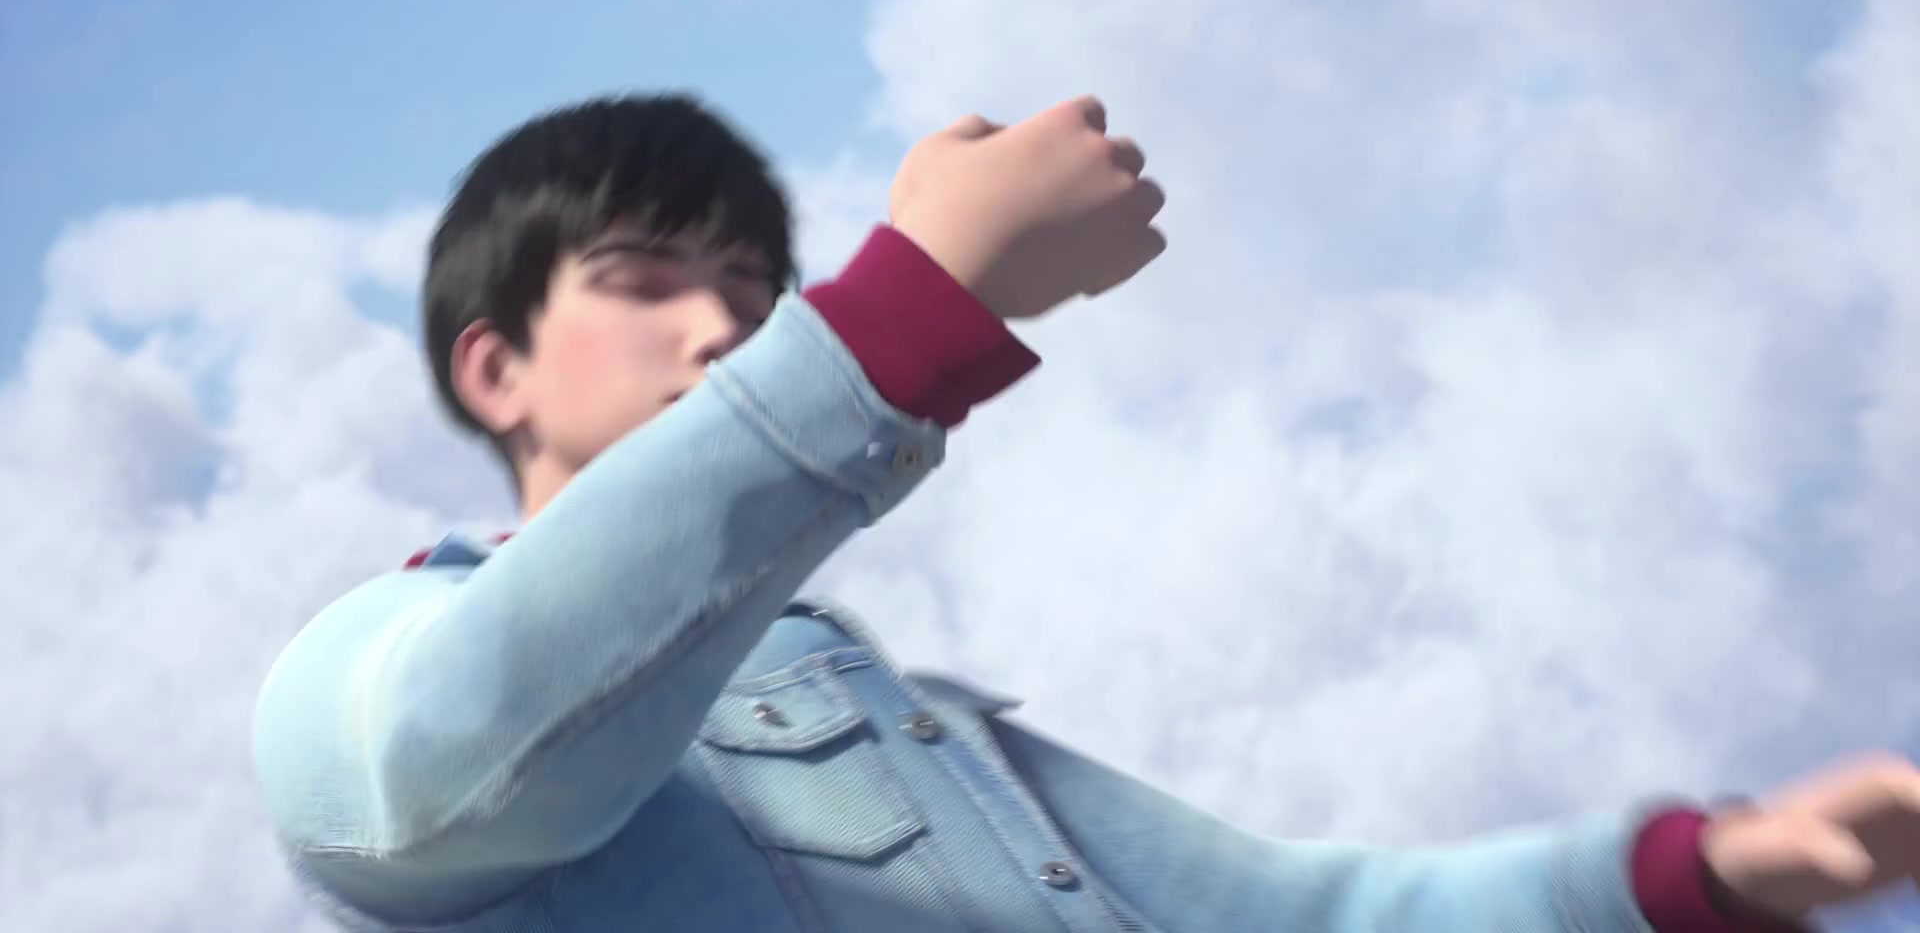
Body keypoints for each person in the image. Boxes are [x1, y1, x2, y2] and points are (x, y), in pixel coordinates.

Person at [253, 93, 1917, 932]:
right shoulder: (374, 660)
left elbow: (1316, 916)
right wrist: (905, 310)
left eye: (757, 293)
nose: (720, 328)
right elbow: (447, 775)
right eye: (643, 281)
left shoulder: (892, 711)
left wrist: (1695, 875)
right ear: (494, 367)